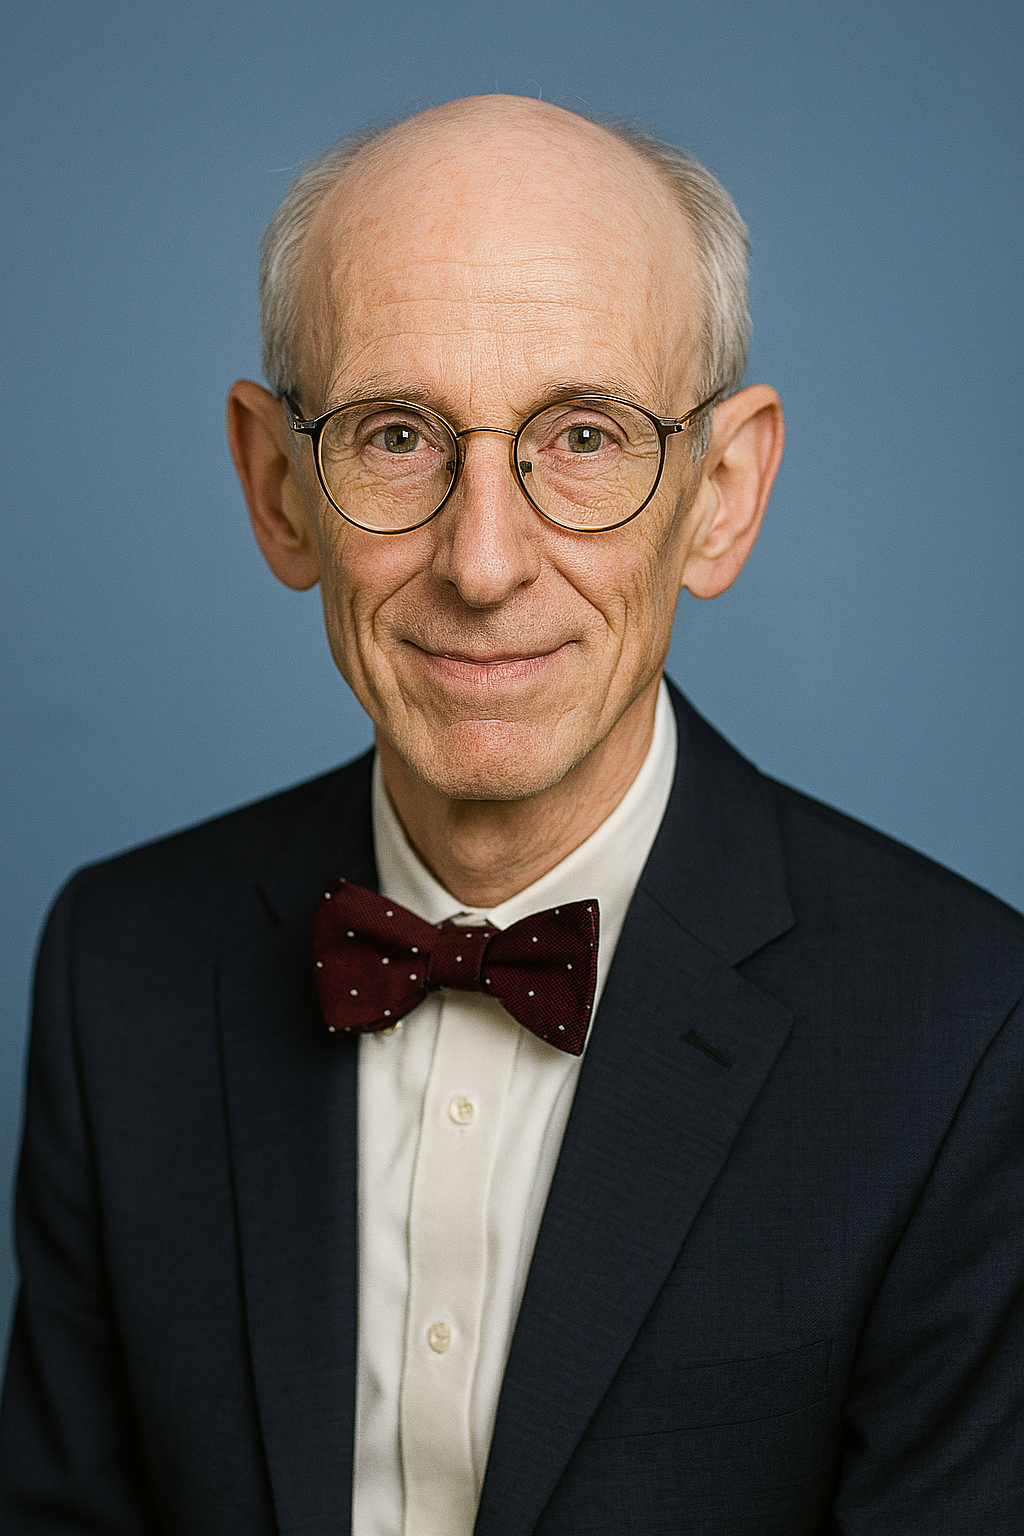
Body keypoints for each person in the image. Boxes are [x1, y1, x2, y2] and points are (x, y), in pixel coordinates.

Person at [1, 94, 1022, 1535]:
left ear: (719, 496)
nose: (484, 561)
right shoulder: (117, 965)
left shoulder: (970, 1036)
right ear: (279, 488)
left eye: (587, 436)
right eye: (398, 433)